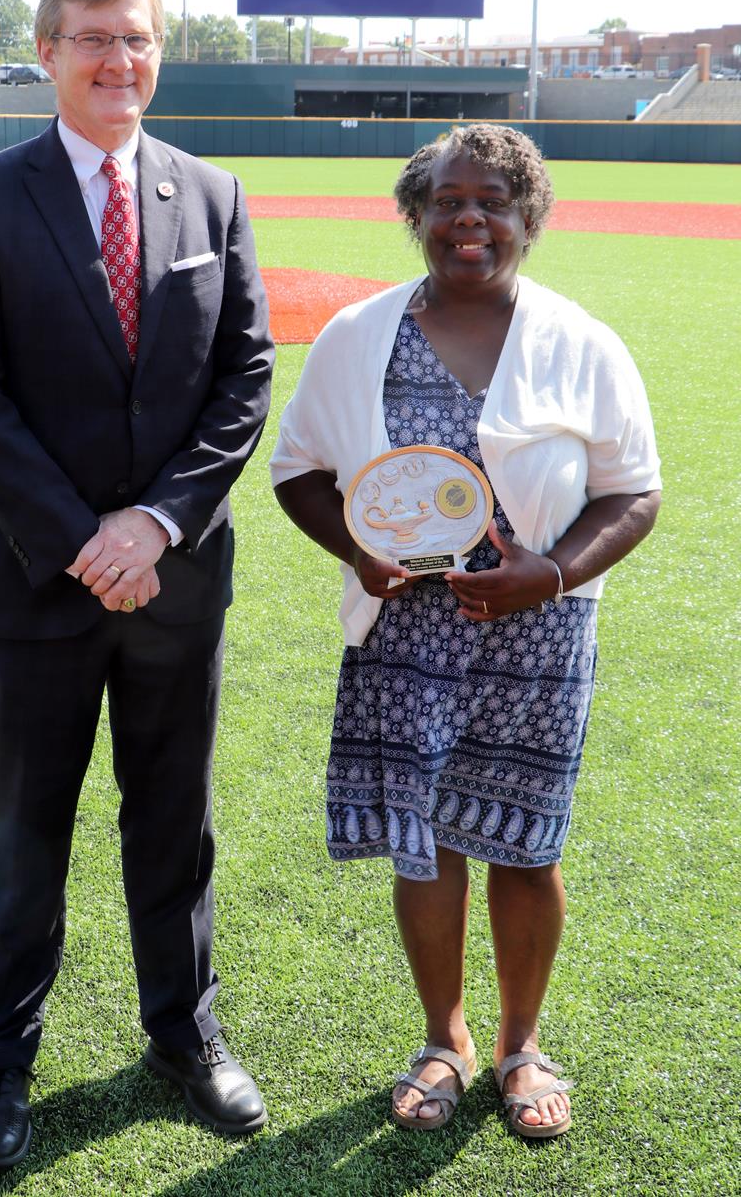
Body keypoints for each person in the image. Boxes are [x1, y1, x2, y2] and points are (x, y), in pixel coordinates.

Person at [0, 0, 274, 1169]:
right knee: (25, 826)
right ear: (47, 53)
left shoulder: (212, 193)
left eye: (134, 39)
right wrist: (85, 537)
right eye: (91, 41)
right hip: (33, 583)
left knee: (172, 825)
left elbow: (242, 380)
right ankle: (1, 1067)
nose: (117, 61)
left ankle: (183, 1038)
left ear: (156, 49)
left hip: (175, 581)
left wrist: (156, 523)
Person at [270, 124, 660, 1141]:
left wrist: (553, 571)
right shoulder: (358, 333)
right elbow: (297, 469)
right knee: (427, 843)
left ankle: (519, 1045)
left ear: (526, 217)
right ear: (416, 212)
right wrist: (355, 550)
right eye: (445, 198)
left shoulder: (581, 342)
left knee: (525, 844)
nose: (466, 218)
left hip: (538, 634)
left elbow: (633, 493)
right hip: (403, 632)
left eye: (491, 199)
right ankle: (441, 1039)